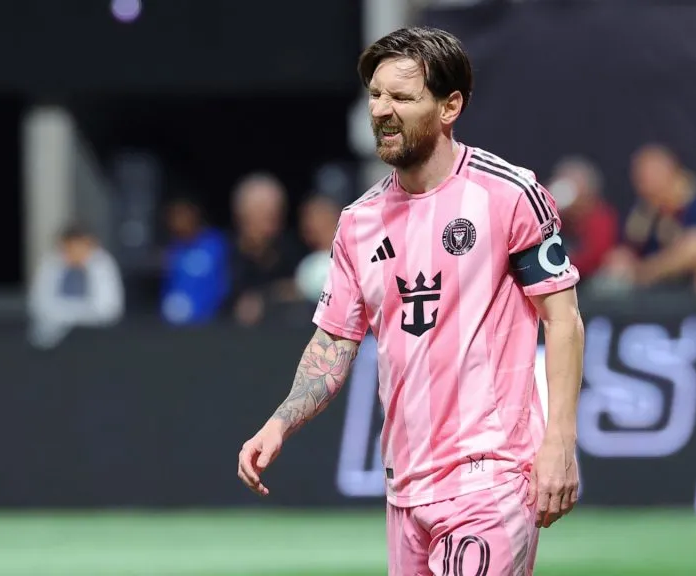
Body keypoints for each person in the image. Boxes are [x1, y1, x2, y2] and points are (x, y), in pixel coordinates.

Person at [237, 26, 585, 576]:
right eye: (375, 95)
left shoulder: (509, 194)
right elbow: (335, 339)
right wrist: (279, 423)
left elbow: (563, 321)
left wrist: (559, 442)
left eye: (401, 97)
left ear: (450, 106)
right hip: (405, 486)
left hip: (489, 476)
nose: (382, 110)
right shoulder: (357, 222)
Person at [600, 144, 696, 289]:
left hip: (691, 279)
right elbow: (628, 246)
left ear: (671, 171)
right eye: (640, 175)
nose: (645, 181)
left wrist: (646, 271)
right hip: (648, 282)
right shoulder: (640, 212)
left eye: (652, 173)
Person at [28, 225, 124, 348]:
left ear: (92, 246)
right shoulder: (50, 264)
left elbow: (109, 310)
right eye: (70, 248)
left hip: (97, 338)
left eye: (81, 247)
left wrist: (66, 313)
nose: (76, 252)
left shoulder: (103, 265)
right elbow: (38, 305)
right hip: (53, 340)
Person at [229, 173, 306, 325]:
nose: (271, 227)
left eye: (275, 217)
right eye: (264, 217)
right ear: (242, 216)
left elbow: (303, 287)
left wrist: (265, 297)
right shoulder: (224, 254)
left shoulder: (291, 252)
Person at [546, 156, 619, 281]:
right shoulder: (556, 217)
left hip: (590, 282)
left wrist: (558, 268)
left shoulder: (600, 217)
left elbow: (594, 257)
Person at [161, 198, 230, 325]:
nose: (178, 221)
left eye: (182, 215)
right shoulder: (173, 249)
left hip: (209, 323)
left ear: (194, 214)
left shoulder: (215, 244)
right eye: (174, 216)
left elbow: (223, 283)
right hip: (174, 324)